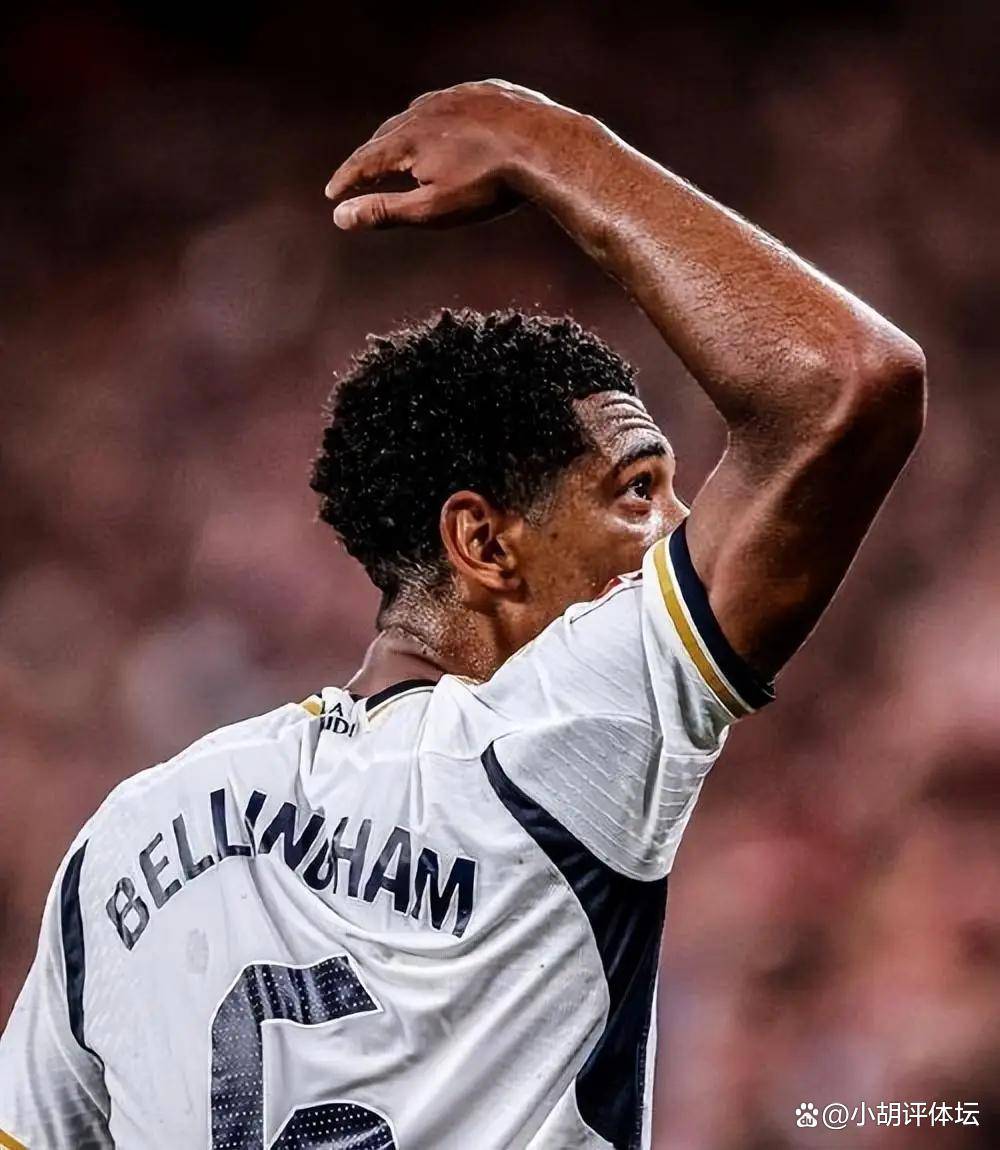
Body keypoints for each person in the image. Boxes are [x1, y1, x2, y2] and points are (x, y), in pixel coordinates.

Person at [0, 80, 925, 1150]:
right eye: (639, 490)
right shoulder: (555, 744)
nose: (679, 526)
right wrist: (545, 140)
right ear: (483, 543)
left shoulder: (123, 838)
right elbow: (849, 386)